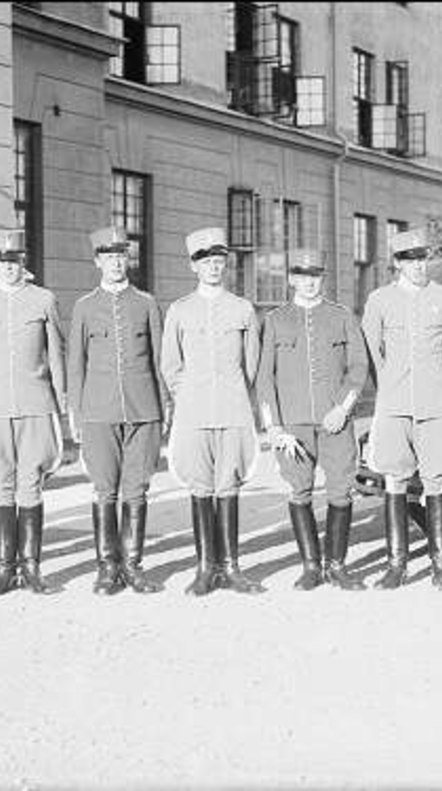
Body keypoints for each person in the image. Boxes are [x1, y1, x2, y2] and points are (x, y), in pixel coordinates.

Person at [255, 249, 370, 591]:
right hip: (293, 426)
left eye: (315, 276)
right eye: (302, 276)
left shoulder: (341, 316)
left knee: (341, 491)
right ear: (291, 279)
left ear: (323, 278)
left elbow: (358, 367)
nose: (309, 283)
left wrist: (342, 408)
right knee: (299, 490)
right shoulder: (275, 320)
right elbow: (264, 378)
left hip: (335, 422)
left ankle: (337, 566)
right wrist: (273, 425)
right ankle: (310, 566)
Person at [0, 229, 67, 596]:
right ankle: (5, 569)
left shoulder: (43, 300)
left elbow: (56, 355)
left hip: (35, 402)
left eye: (15, 260)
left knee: (31, 483)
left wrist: (61, 403)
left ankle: (32, 569)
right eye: (2, 261)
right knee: (0, 483)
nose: (9, 267)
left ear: (24, 261)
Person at [361, 228, 442, 592]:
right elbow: (372, 351)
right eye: (410, 260)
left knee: (436, 480)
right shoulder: (379, 300)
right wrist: (389, 383)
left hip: (435, 402)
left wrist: (435, 380)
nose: (419, 266)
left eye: (423, 258)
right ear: (397, 263)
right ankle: (396, 566)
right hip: (393, 404)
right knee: (395, 478)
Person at [161, 227, 264, 596]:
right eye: (206, 262)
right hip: (193, 413)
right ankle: (206, 567)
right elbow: (170, 365)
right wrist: (189, 395)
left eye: (219, 261)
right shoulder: (179, 310)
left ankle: (231, 568)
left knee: (228, 485)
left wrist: (237, 394)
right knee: (201, 486)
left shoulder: (242, 309)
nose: (214, 268)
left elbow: (251, 364)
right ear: (194, 266)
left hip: (233, 410)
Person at [67, 226, 169, 595]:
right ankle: (107, 567)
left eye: (121, 256)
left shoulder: (146, 303)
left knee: (137, 489)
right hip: (98, 410)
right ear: (97, 262)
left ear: (128, 260)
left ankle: (133, 565)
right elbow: (75, 363)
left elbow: (159, 360)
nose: (115, 263)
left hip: (143, 408)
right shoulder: (84, 307)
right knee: (104, 489)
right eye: (108, 257)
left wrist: (163, 406)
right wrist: (76, 412)